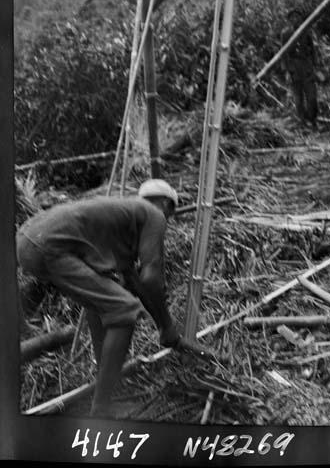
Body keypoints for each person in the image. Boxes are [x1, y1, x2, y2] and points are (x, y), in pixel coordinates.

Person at [16, 178, 214, 417]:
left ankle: (106, 376)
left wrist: (165, 328)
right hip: (48, 244)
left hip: (28, 239)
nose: (167, 221)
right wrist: (168, 327)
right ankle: (101, 409)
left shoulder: (123, 218)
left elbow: (134, 281)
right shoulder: (154, 214)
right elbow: (151, 279)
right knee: (125, 311)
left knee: (103, 304)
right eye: (169, 214)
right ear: (165, 204)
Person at [280, 8, 318, 127]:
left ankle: (312, 119)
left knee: (312, 97)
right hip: (294, 68)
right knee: (298, 98)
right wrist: (286, 71)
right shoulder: (285, 33)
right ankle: (302, 121)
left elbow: (312, 50)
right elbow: (283, 53)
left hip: (306, 67)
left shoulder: (306, 32)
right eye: (293, 17)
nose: (295, 19)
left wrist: (315, 66)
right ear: (289, 20)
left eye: (297, 17)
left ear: (301, 19)